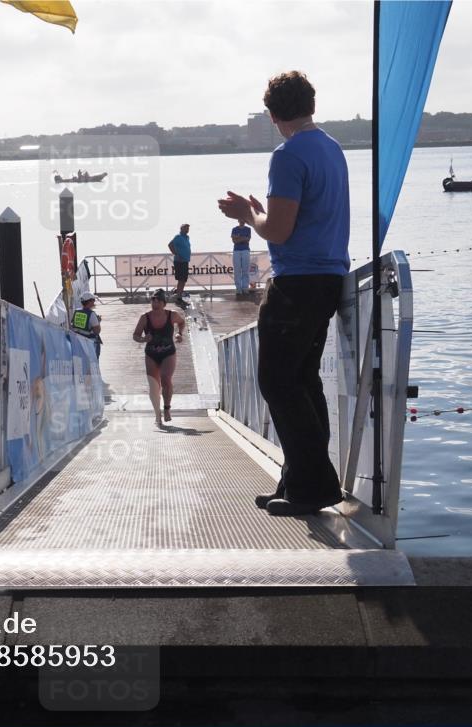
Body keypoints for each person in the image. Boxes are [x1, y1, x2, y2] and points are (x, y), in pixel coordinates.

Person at [217, 70, 350, 517]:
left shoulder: (288, 155)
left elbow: (279, 230)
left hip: (296, 282)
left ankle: (313, 488)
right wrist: (261, 212)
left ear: (273, 114)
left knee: (277, 381)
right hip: (328, 277)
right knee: (303, 381)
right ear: (311, 104)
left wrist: (247, 216)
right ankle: (298, 481)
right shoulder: (331, 149)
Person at [132, 289, 186, 427]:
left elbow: (182, 322)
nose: (154, 302)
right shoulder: (145, 317)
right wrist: (144, 339)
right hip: (151, 354)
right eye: (152, 299)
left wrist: (179, 333)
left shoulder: (172, 315)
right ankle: (157, 415)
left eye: (157, 300)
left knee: (166, 379)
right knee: (153, 387)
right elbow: (135, 335)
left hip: (168, 352)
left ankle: (167, 408)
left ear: (164, 303)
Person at [71, 291, 102, 358]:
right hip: (90, 344)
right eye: (93, 300)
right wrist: (98, 321)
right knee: (93, 364)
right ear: (89, 301)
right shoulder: (92, 314)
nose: (94, 302)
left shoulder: (76, 311)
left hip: (79, 342)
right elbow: (97, 331)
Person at [167, 223, 192, 306]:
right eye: (185, 228)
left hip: (185, 261)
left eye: (188, 228)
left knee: (183, 279)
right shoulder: (178, 237)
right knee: (181, 279)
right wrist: (176, 253)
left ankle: (179, 296)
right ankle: (178, 298)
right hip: (179, 261)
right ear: (181, 229)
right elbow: (170, 245)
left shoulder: (187, 237)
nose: (187, 229)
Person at [231, 220, 252, 297]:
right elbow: (234, 241)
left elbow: (248, 239)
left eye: (243, 219)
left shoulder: (248, 229)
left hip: (245, 250)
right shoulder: (234, 229)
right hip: (236, 251)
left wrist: (238, 237)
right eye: (241, 219)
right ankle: (238, 288)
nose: (242, 221)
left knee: (245, 270)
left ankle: (245, 288)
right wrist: (242, 238)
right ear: (238, 220)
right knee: (237, 270)